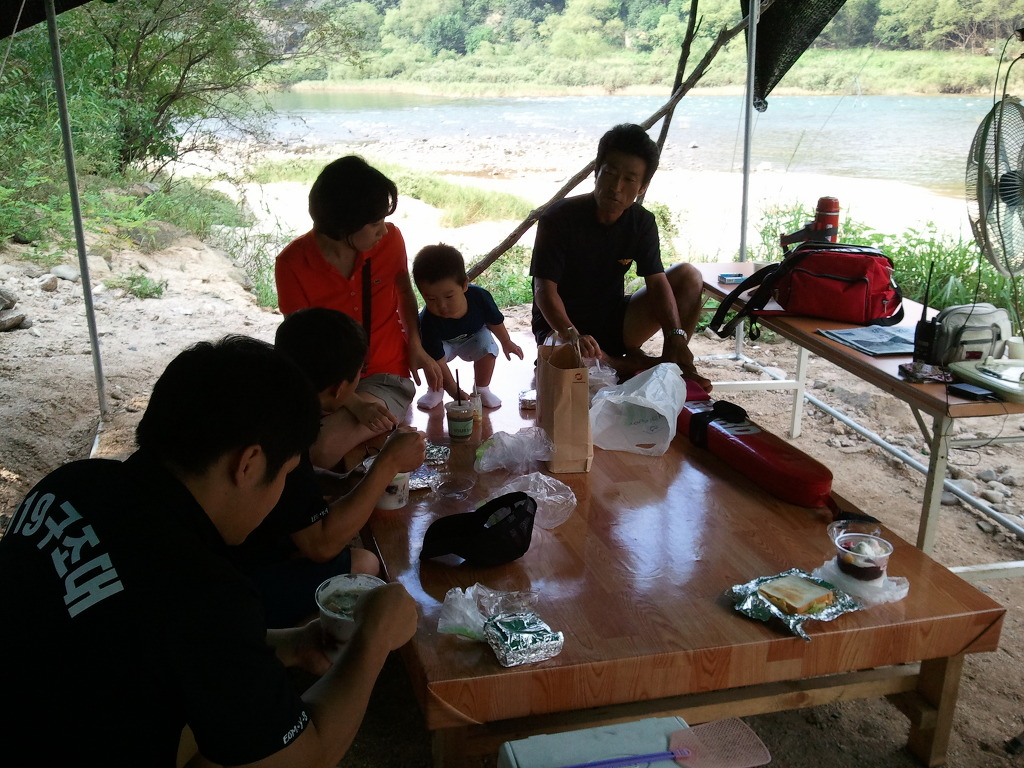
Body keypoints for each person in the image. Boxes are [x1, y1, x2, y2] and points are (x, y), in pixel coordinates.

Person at [0, 335, 418, 767]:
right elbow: (308, 757)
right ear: (248, 464)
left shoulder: (72, 483)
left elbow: (154, 638)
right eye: (286, 474)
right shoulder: (200, 587)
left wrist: (289, 644)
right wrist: (373, 639)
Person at [234, 307, 426, 628]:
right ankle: (291, 635)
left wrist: (342, 481)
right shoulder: (286, 433)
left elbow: (295, 483)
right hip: (230, 582)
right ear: (339, 389)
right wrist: (388, 462)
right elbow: (320, 546)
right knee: (364, 564)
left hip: (227, 542)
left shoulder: (270, 398)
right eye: (360, 374)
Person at [275, 155, 443, 468]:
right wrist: (351, 403)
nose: (384, 231)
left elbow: (404, 292)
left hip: (384, 375)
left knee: (321, 449)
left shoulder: (390, 241)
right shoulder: (293, 263)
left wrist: (415, 345)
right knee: (279, 441)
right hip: (326, 384)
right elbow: (301, 347)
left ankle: (365, 458)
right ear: (345, 226)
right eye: (375, 224)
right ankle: (367, 452)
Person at [530, 123, 712, 391]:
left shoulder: (641, 222)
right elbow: (544, 290)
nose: (616, 187)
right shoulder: (558, 217)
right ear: (596, 172)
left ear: (642, 187)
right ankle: (628, 364)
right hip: (560, 327)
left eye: (629, 179)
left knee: (688, 275)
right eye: (610, 173)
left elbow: (657, 282)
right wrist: (572, 335)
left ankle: (670, 363)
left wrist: (676, 335)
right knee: (575, 367)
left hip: (614, 319)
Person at [411, 243, 524, 410]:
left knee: (487, 345)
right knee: (430, 359)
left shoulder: (480, 297)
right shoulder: (427, 320)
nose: (441, 306)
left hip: (473, 338)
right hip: (443, 344)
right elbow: (438, 361)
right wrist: (454, 391)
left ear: (464, 285)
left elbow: (494, 322)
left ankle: (482, 389)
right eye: (431, 299)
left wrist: (506, 342)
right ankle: (435, 390)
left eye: (449, 296)